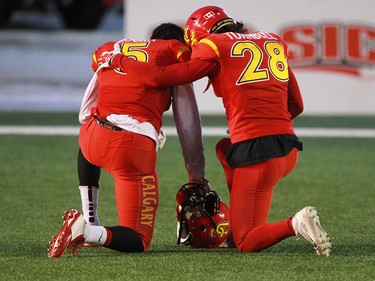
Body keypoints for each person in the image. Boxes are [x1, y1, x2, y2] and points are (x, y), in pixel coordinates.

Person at [107, 6, 332, 256]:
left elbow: (161, 77)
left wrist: (118, 61)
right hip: (287, 148)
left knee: (248, 243)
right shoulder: (272, 40)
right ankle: (238, 225)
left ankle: (296, 224)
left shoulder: (214, 45)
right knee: (225, 149)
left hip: (258, 154)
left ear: (198, 35)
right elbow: (296, 105)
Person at [48, 23, 210, 258]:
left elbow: (86, 111)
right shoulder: (175, 54)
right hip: (131, 147)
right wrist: (196, 176)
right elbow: (188, 126)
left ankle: (90, 214)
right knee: (139, 240)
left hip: (94, 137)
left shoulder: (114, 49)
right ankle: (87, 230)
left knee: (88, 137)